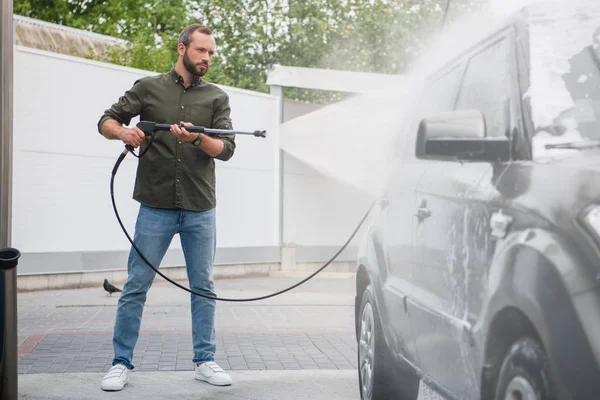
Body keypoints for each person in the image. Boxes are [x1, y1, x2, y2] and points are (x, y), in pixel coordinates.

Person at [97, 24, 235, 392]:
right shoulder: (148, 88)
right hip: (154, 208)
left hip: (200, 209)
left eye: (211, 53)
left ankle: (205, 360)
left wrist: (197, 137)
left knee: (203, 286)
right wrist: (124, 132)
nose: (206, 58)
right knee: (136, 286)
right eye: (201, 51)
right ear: (182, 49)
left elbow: (227, 150)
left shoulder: (217, 98)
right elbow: (105, 121)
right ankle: (120, 363)